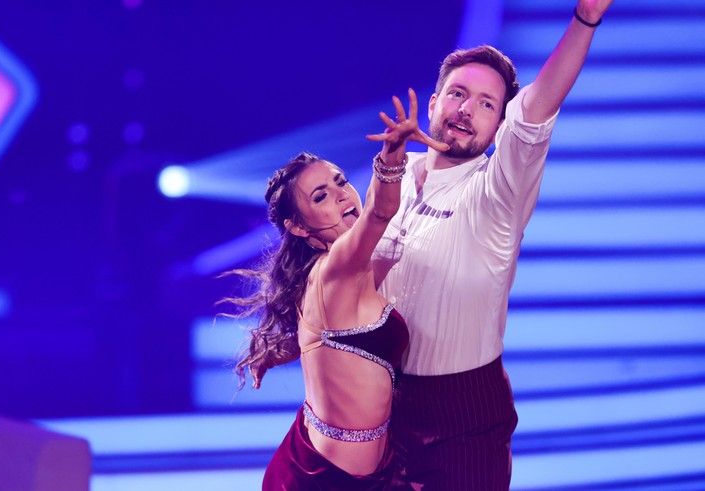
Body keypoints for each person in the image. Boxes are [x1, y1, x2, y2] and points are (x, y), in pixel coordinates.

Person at [371, 1, 615, 489]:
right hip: (380, 401)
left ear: (501, 123)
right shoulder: (397, 173)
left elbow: (537, 107)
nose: (466, 110)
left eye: (486, 103)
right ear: (436, 100)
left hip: (464, 414)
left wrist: (585, 19)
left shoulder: (500, 187)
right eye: (458, 94)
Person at [220, 89, 448, 490]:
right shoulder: (333, 271)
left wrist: (278, 352)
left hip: (377, 473)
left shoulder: (351, 270)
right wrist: (393, 154)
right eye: (321, 196)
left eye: (341, 181)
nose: (343, 194)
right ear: (299, 227)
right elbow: (379, 211)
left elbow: (334, 340)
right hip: (322, 480)